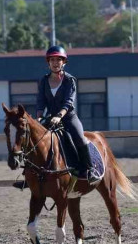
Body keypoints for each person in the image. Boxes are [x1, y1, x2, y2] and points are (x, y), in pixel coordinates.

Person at [35, 45, 100, 184]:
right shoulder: (43, 81)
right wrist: (39, 116)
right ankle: (29, 176)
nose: (55, 62)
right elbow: (40, 101)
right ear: (48, 62)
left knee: (80, 139)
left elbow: (68, 102)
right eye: (52, 60)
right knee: (34, 140)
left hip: (68, 117)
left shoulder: (70, 80)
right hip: (50, 119)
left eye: (58, 60)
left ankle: (90, 170)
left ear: (63, 62)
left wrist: (59, 116)